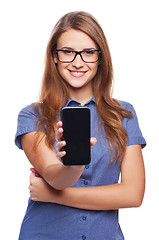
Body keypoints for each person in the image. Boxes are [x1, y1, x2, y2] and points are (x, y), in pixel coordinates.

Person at [15, 11, 146, 240]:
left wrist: (53, 196)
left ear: (100, 57)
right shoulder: (33, 115)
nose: (78, 62)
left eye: (88, 53)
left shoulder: (123, 115)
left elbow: (133, 194)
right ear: (54, 56)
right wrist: (73, 165)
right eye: (67, 52)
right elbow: (53, 176)